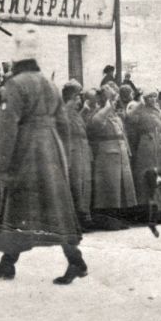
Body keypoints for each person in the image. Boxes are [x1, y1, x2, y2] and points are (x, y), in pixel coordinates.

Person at [0, 28, 86, 285]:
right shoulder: (50, 84)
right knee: (56, 206)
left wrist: (2, 163)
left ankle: (10, 263)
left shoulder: (15, 85)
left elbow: (7, 128)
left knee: (18, 203)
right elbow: (63, 124)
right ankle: (72, 260)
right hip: (51, 148)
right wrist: (63, 156)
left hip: (27, 149)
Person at [87, 85, 137, 223]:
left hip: (120, 153)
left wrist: (127, 150)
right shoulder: (97, 113)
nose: (115, 103)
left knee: (121, 187)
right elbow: (96, 123)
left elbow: (123, 133)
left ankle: (119, 217)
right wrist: (108, 105)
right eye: (112, 100)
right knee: (109, 188)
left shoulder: (114, 115)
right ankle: (108, 219)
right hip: (107, 154)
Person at [60, 83, 93, 228]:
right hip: (72, 152)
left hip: (82, 151)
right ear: (72, 97)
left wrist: (83, 112)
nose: (80, 99)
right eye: (78, 96)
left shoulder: (74, 113)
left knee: (85, 184)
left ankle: (84, 216)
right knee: (76, 185)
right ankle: (77, 219)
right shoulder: (64, 110)